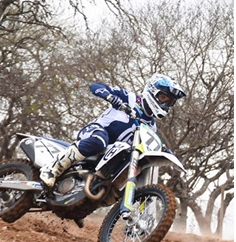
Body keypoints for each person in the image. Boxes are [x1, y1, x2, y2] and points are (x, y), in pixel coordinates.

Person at [40, 74, 187, 189]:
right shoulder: (129, 98)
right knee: (99, 141)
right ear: (152, 91)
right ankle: (53, 168)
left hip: (112, 154)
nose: (165, 104)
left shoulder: (151, 126)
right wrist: (110, 97)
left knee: (130, 165)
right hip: (96, 132)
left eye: (170, 102)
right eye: (163, 97)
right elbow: (95, 86)